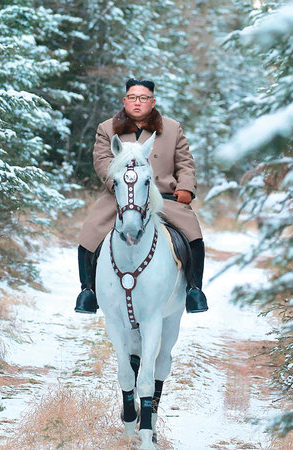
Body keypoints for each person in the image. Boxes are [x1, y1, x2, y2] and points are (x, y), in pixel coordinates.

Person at [75, 78, 208, 315]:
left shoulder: (172, 128)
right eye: (133, 98)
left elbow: (185, 163)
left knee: (193, 237)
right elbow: (102, 162)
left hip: (165, 198)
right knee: (89, 235)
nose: (138, 103)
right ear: (125, 100)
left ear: (153, 101)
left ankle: (193, 290)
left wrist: (186, 187)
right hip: (120, 197)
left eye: (144, 98)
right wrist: (118, 183)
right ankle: (88, 291)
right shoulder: (106, 129)